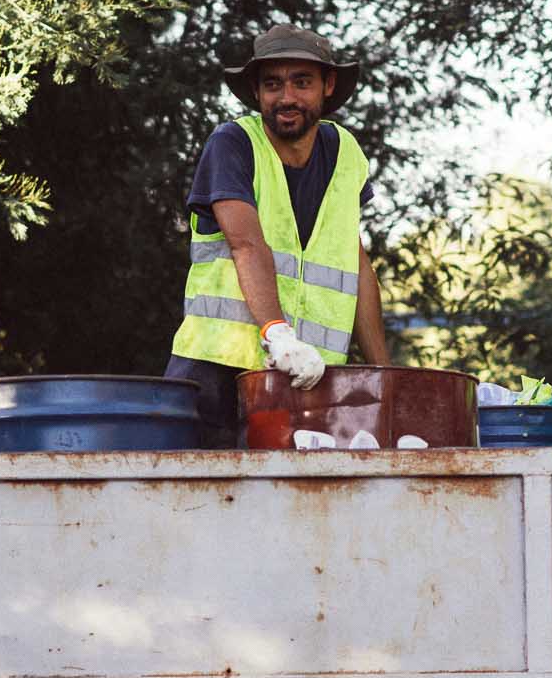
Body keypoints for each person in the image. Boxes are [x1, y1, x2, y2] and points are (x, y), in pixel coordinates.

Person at [166, 24, 391, 446]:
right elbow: (246, 245)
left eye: (301, 82)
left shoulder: (346, 154)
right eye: (273, 84)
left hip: (306, 380)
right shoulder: (232, 144)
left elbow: (356, 265)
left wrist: (386, 380)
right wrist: (279, 335)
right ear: (256, 92)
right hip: (216, 375)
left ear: (328, 86)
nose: (286, 97)